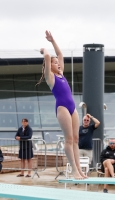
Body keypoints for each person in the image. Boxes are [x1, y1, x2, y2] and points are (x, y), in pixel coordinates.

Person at [36, 30, 86, 179]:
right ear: (49, 66)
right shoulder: (50, 78)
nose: (58, 63)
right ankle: (74, 171)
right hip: (62, 107)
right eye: (55, 63)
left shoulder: (61, 74)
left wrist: (52, 41)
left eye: (58, 63)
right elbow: (47, 56)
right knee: (69, 140)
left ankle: (80, 170)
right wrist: (44, 49)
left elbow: (61, 55)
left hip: (72, 107)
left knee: (76, 140)